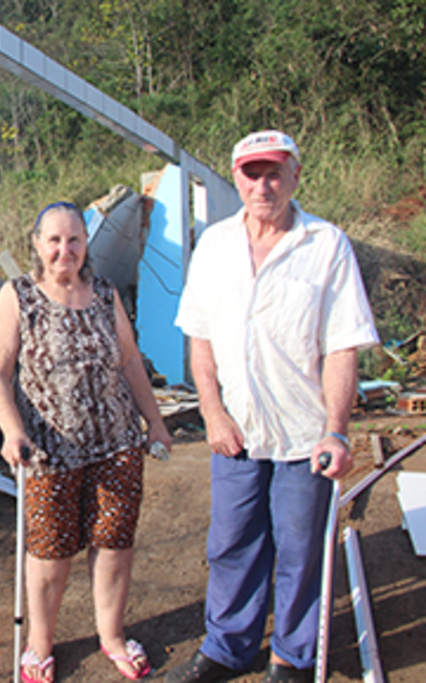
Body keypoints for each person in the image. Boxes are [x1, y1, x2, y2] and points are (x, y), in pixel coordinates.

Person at [168, 130, 379, 683]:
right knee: (232, 544)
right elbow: (201, 339)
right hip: (236, 432)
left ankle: (291, 656)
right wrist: (211, 413)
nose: (263, 185)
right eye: (251, 173)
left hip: (305, 434)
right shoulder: (213, 245)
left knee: (301, 551)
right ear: (235, 178)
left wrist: (336, 431)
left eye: (274, 173)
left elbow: (342, 345)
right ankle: (228, 647)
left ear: (294, 176)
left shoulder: (326, 245)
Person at [0, 201, 173, 683]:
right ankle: (40, 644)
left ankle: (111, 636)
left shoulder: (106, 294)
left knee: (113, 544)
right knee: (49, 551)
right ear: (37, 243)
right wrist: (12, 429)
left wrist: (155, 422)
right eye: (54, 240)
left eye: (74, 240)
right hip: (49, 449)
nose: (64, 249)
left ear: (86, 243)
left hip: (117, 444)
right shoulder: (18, 295)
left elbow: (130, 362)